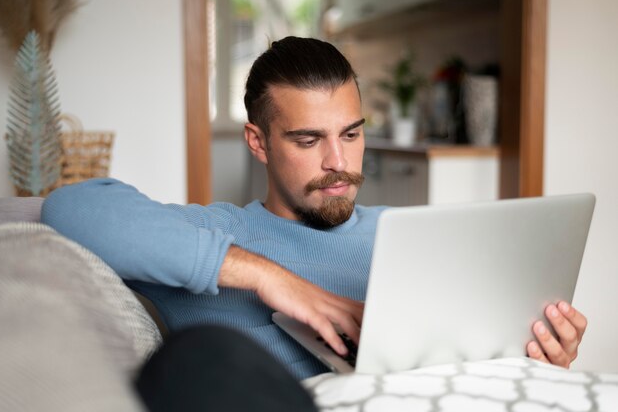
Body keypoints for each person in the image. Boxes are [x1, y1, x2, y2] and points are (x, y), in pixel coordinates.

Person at [42, 36, 587, 381]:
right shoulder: (215, 236)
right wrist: (265, 277)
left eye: (351, 134)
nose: (337, 161)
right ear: (258, 143)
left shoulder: (415, 241)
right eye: (308, 141)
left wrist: (541, 361)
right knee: (195, 364)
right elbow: (71, 206)